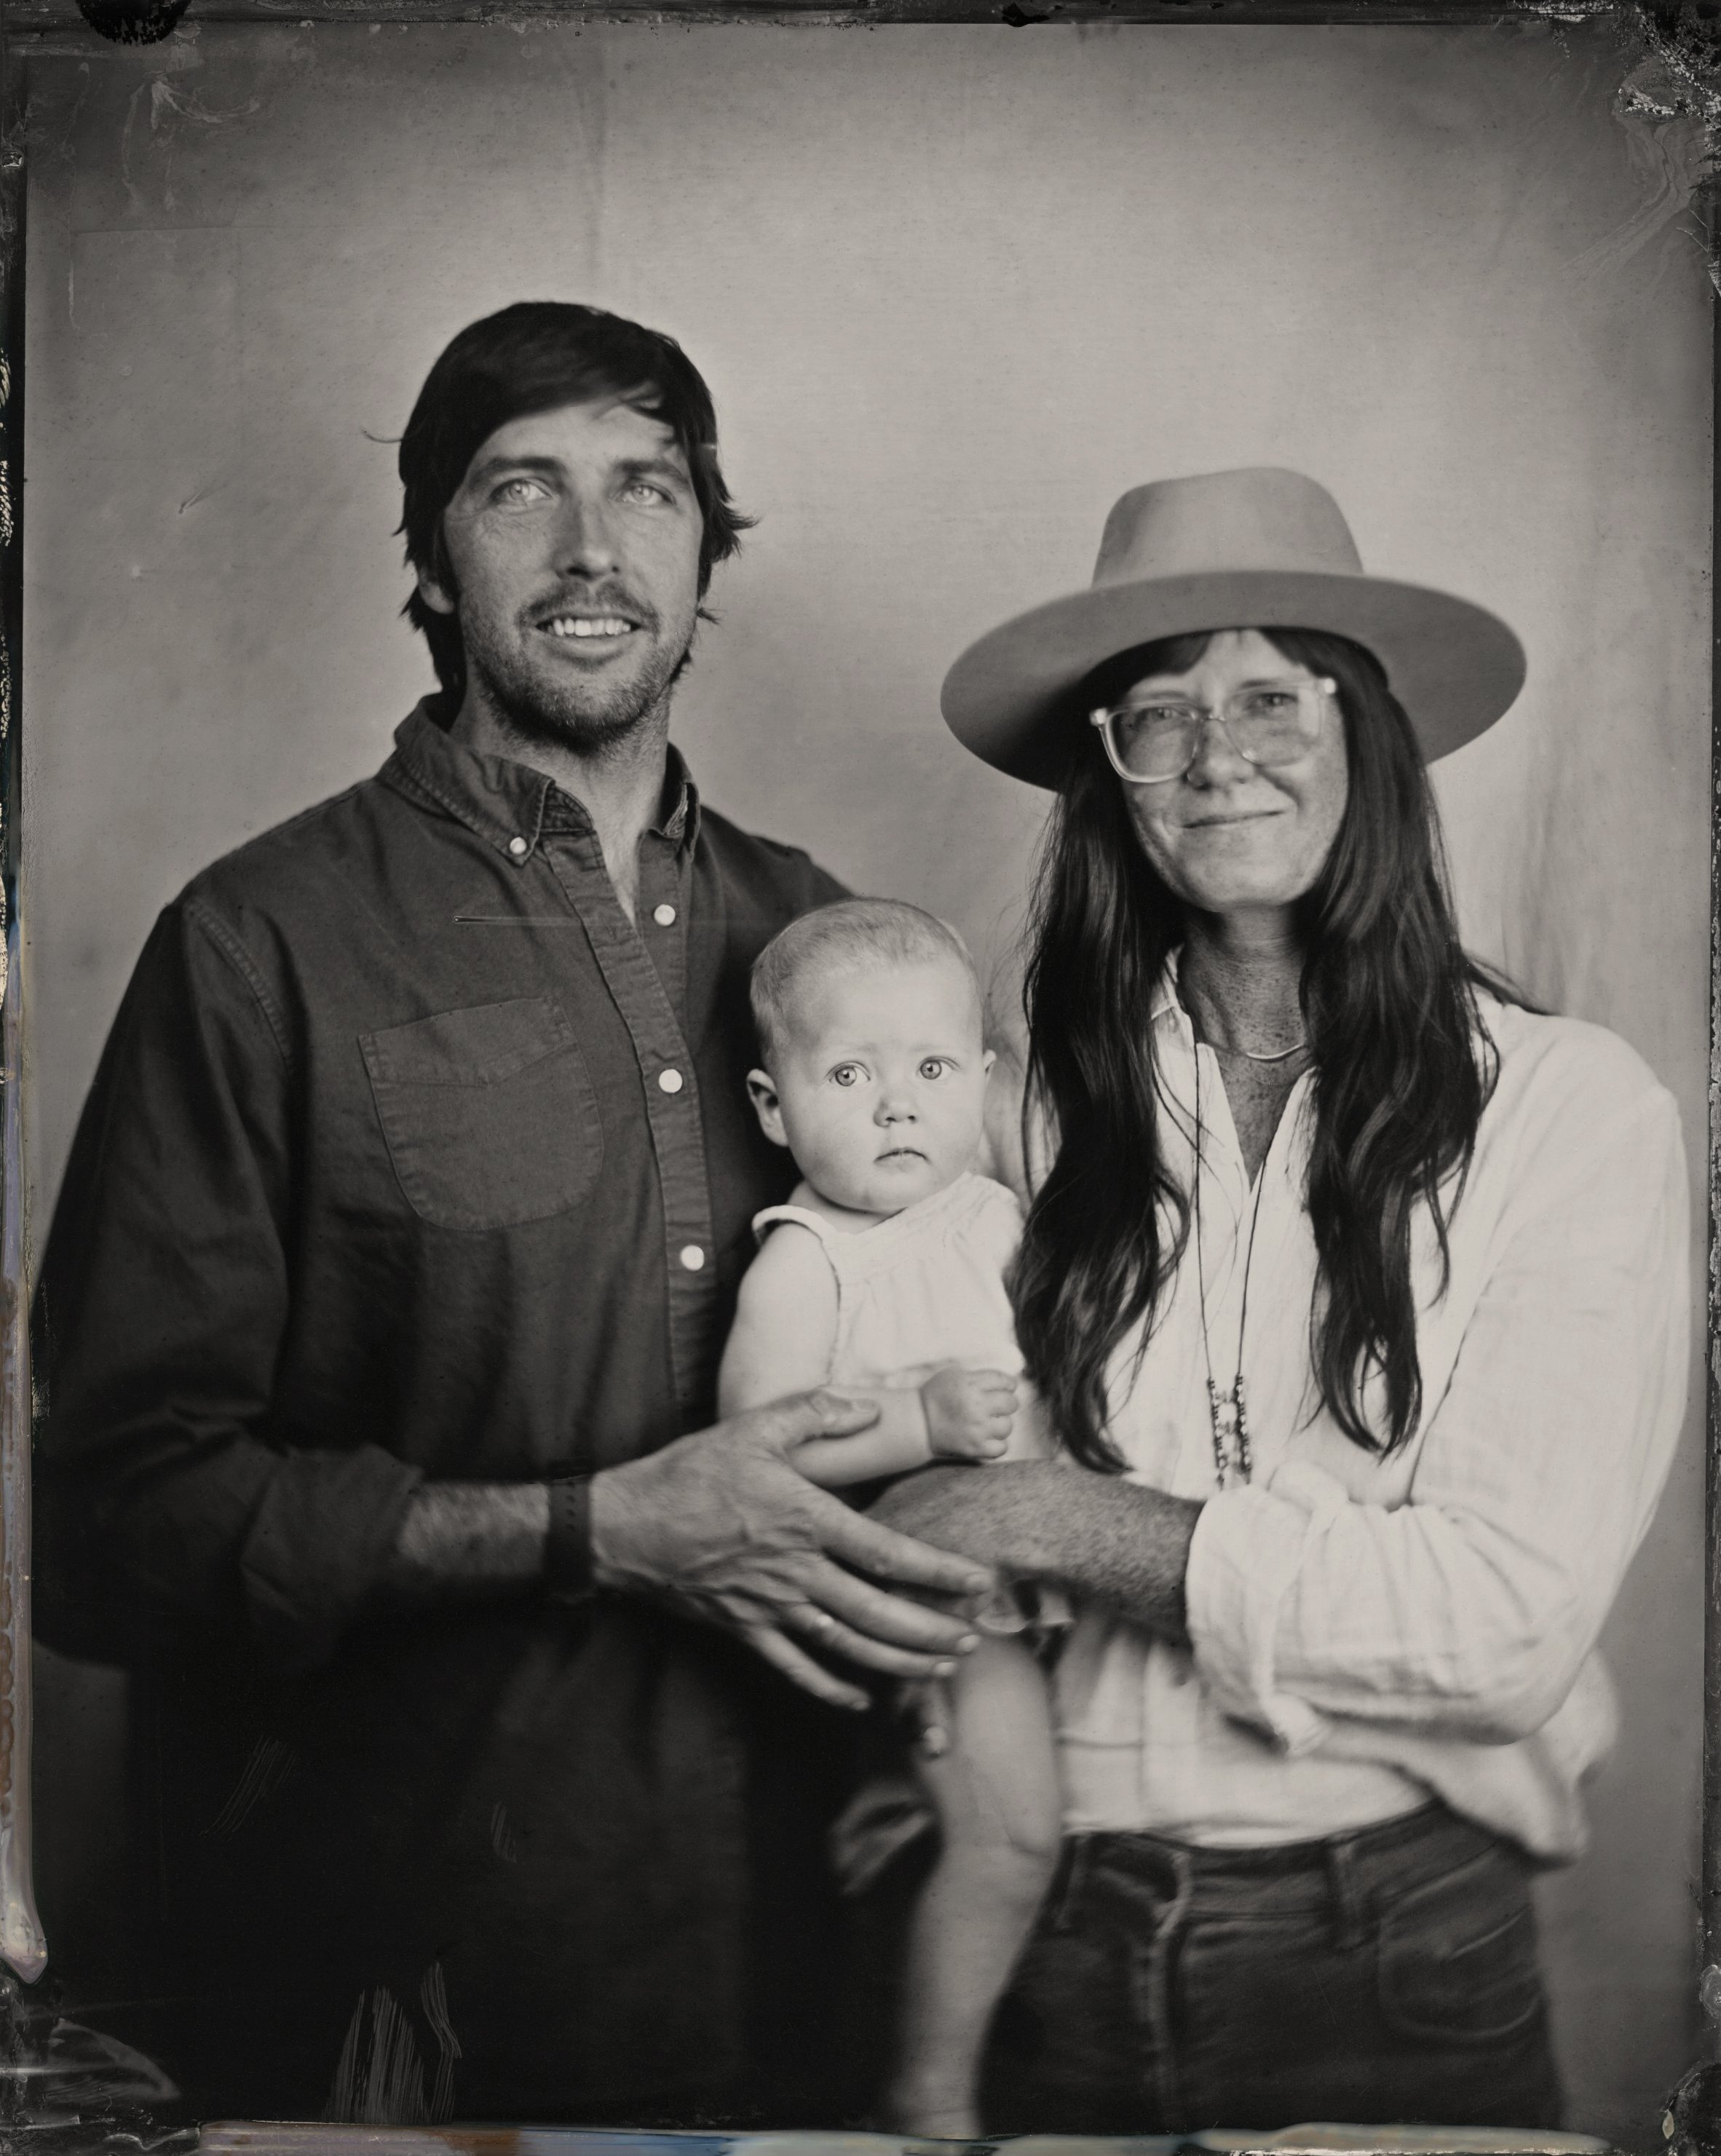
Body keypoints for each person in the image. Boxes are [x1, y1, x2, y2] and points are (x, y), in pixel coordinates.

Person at [30, 301, 994, 2128]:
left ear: (706, 557)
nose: (592, 549)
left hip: (807, 1971)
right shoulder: (260, 940)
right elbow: (108, 1524)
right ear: (431, 553)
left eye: (649, 489)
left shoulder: (827, 944)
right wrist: (592, 1528)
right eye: (520, 489)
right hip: (403, 1990)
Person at [865, 466, 1690, 2131]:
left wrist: (1051, 1516)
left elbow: (1503, 1624)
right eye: (1159, 714)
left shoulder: (1566, 1109)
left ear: (1366, 733)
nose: (1215, 753)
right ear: (1112, 777)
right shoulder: (1018, 1109)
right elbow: (905, 1458)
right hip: (1049, 1927)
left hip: (1393, 1940)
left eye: (1270, 698)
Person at [717, 897, 1063, 2139]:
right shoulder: (810, 1259)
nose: (897, 1107)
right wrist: (918, 1420)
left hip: (1051, 1567)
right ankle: (931, 2093)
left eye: (930, 1070)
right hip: (939, 1597)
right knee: (1017, 1839)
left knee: (993, 1819)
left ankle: (897, 1820)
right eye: (851, 1075)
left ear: (984, 1080)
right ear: (774, 1107)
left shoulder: (996, 1211)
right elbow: (756, 1445)